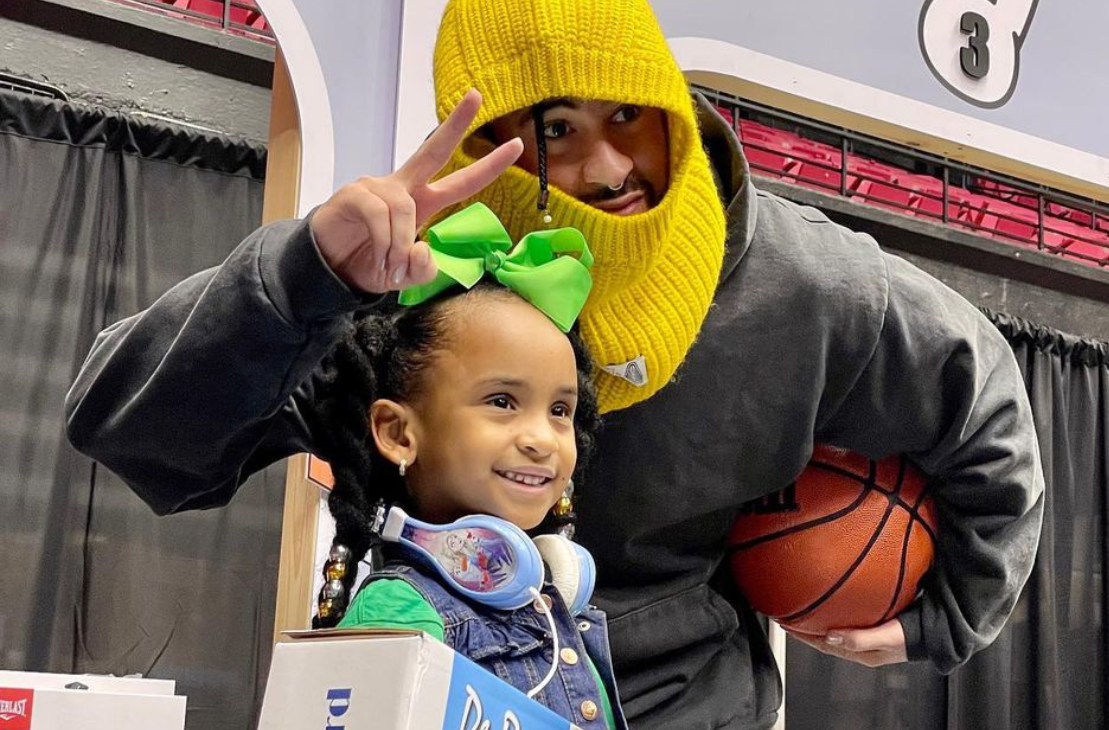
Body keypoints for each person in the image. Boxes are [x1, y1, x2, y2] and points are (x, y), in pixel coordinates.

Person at [64, 0, 1046, 727]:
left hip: (682, 701)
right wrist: (303, 276)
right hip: (443, 686)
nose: (608, 167)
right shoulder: (419, 280)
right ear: (486, 145)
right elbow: (127, 424)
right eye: (557, 131)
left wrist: (939, 618)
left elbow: (984, 404)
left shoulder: (809, 285)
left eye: (628, 116)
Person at [306, 204, 623, 729]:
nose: (542, 439)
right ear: (397, 433)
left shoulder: (553, 609)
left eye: (560, 411)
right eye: (501, 402)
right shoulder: (401, 614)